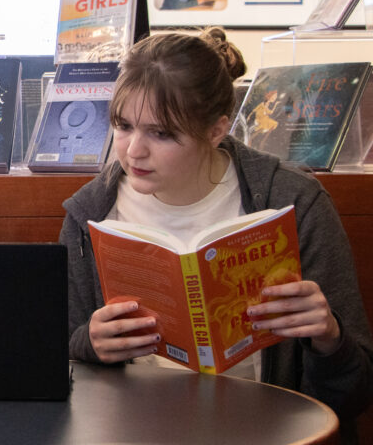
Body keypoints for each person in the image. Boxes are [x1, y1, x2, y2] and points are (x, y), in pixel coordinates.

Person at [63, 28, 373, 443]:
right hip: (134, 431)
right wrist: (90, 343)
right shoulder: (90, 213)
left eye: (162, 133)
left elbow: (356, 392)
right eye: (123, 125)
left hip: (267, 431)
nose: (134, 150)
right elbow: (53, 362)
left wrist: (329, 338)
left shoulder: (293, 201)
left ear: (216, 130)